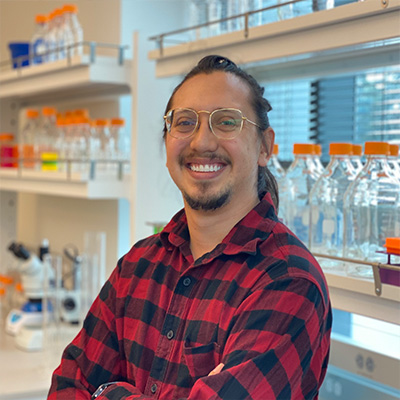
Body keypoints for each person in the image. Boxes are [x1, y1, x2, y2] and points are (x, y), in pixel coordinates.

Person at [48, 55, 331, 400]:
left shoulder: (288, 281)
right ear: (167, 142)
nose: (202, 142)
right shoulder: (138, 265)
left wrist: (108, 391)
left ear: (265, 147)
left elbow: (87, 387)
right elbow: (67, 385)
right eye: (184, 123)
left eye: (227, 122)